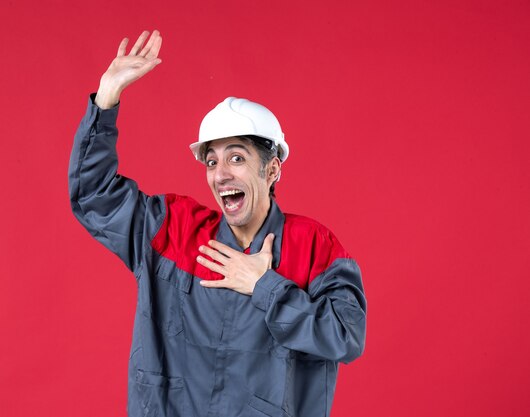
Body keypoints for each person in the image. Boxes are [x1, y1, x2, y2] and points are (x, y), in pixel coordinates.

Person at [69, 30, 366, 417]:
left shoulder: (314, 247)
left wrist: (265, 287)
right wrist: (106, 100)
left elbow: (346, 336)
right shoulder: (172, 229)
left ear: (272, 169)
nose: (221, 173)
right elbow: (93, 196)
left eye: (237, 158)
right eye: (212, 161)